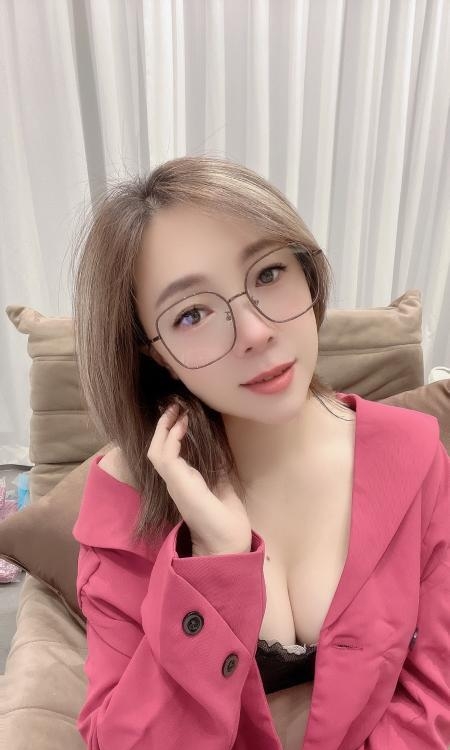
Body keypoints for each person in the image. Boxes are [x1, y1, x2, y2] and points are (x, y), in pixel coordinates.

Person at [71, 155, 449, 750]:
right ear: (153, 353)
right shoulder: (125, 501)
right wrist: (214, 569)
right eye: (192, 314)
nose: (255, 331)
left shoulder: (414, 454)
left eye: (269, 272)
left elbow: (435, 700)